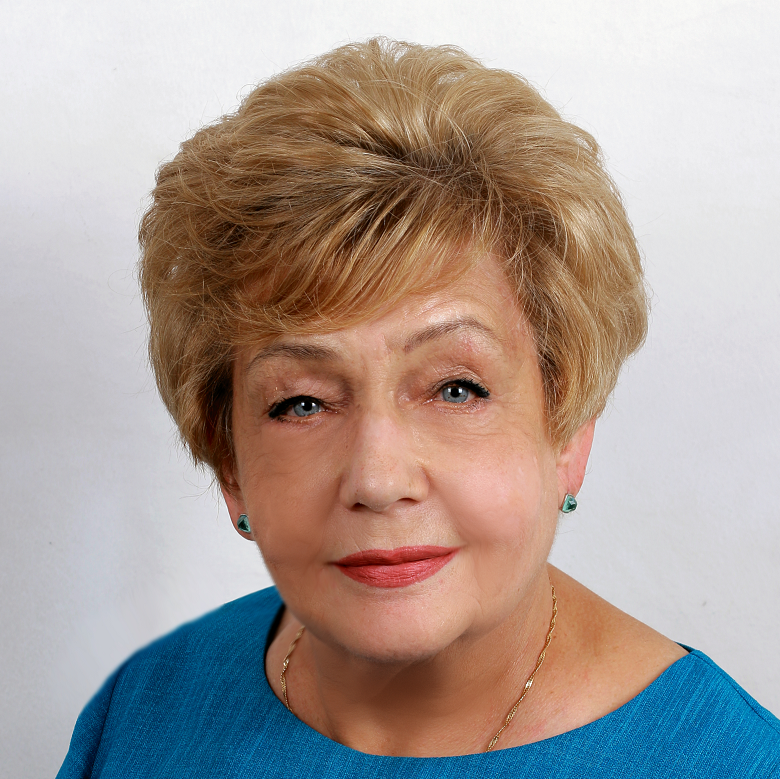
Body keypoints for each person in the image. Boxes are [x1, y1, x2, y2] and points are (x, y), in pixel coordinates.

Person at [57, 38, 779, 777]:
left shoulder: (734, 763)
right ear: (229, 461)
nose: (377, 479)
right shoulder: (141, 716)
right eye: (302, 403)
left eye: (456, 389)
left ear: (567, 428)